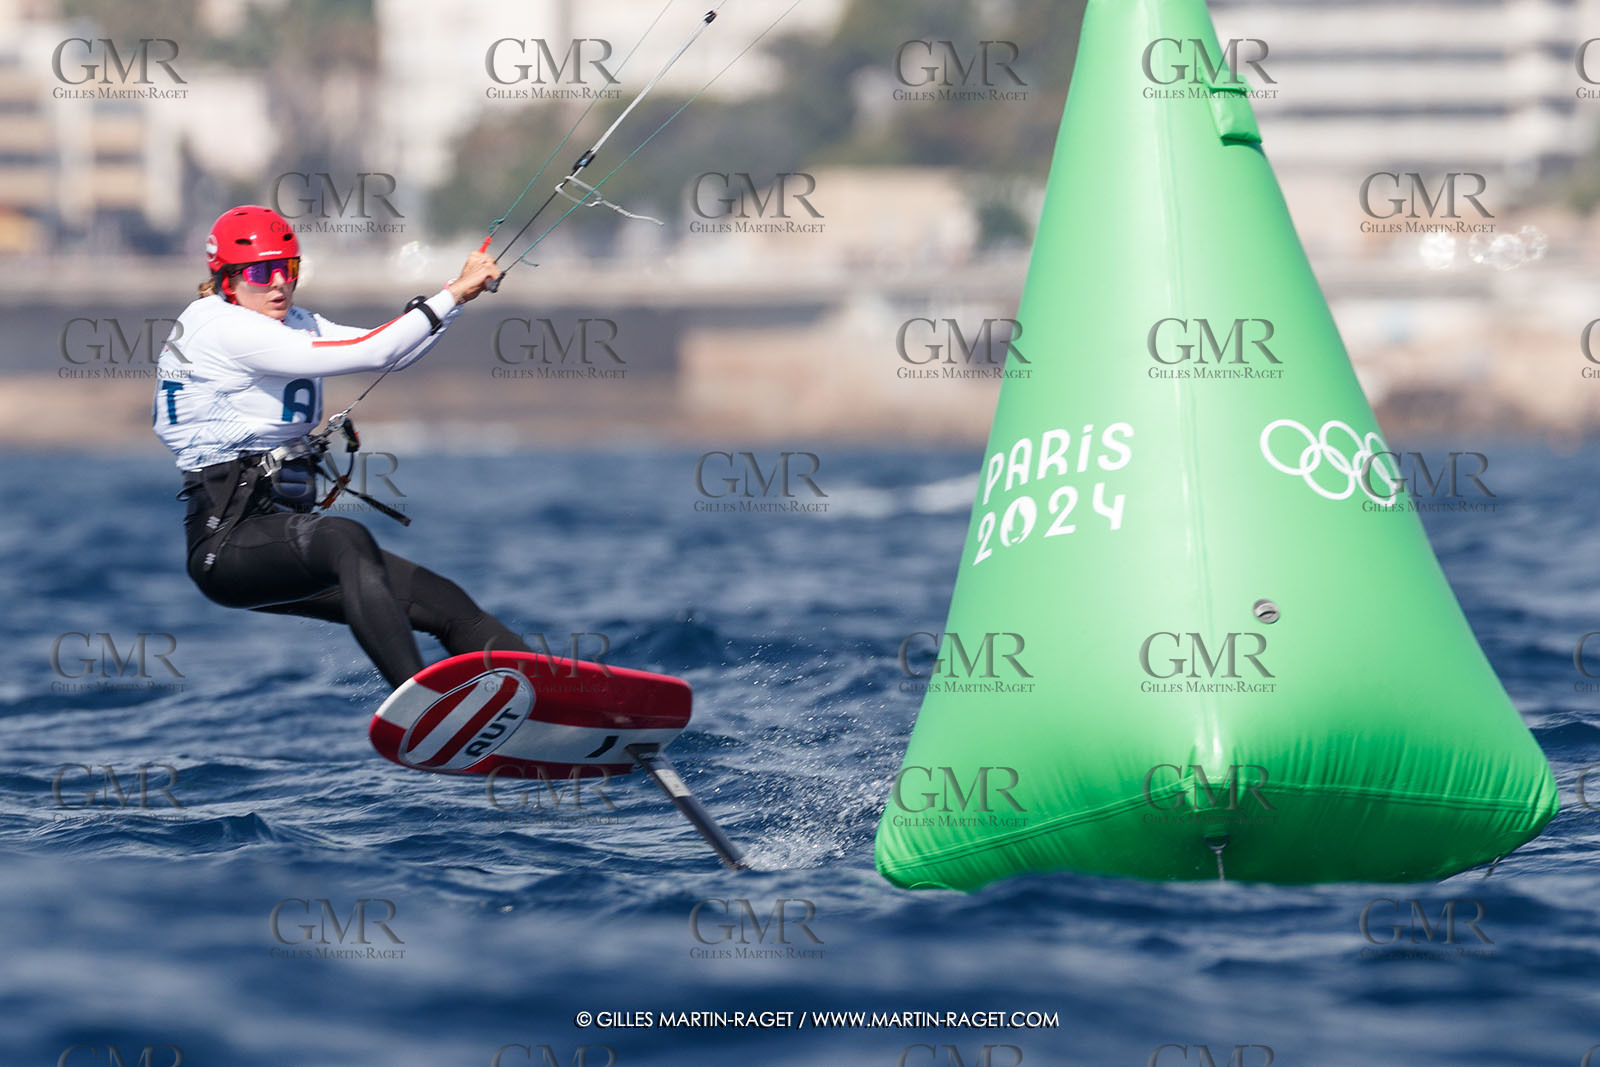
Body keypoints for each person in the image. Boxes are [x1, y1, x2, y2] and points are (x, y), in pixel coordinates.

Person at [154, 204, 531, 688]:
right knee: (346, 540)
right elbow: (374, 350)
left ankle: (559, 697)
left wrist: (456, 300)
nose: (279, 283)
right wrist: (451, 293)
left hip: (286, 533)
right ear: (226, 280)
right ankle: (420, 701)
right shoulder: (223, 328)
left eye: (289, 268)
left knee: (449, 605)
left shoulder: (290, 321)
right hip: (227, 545)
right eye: (261, 273)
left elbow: (389, 352)